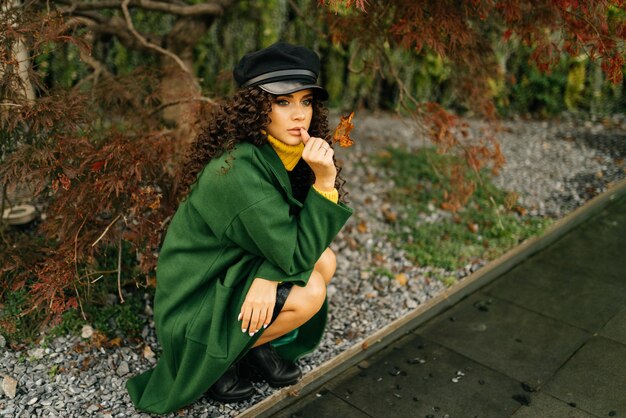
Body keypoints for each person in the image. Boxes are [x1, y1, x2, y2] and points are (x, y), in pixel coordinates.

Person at [126, 42, 353, 414]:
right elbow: (294, 251)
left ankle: (254, 344)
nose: (299, 115)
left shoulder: (280, 150)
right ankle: (220, 357)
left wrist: (266, 277)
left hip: (233, 267)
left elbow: (289, 234)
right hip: (196, 297)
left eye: (306, 101)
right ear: (256, 106)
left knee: (325, 260)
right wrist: (325, 183)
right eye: (283, 102)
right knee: (310, 290)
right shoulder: (238, 171)